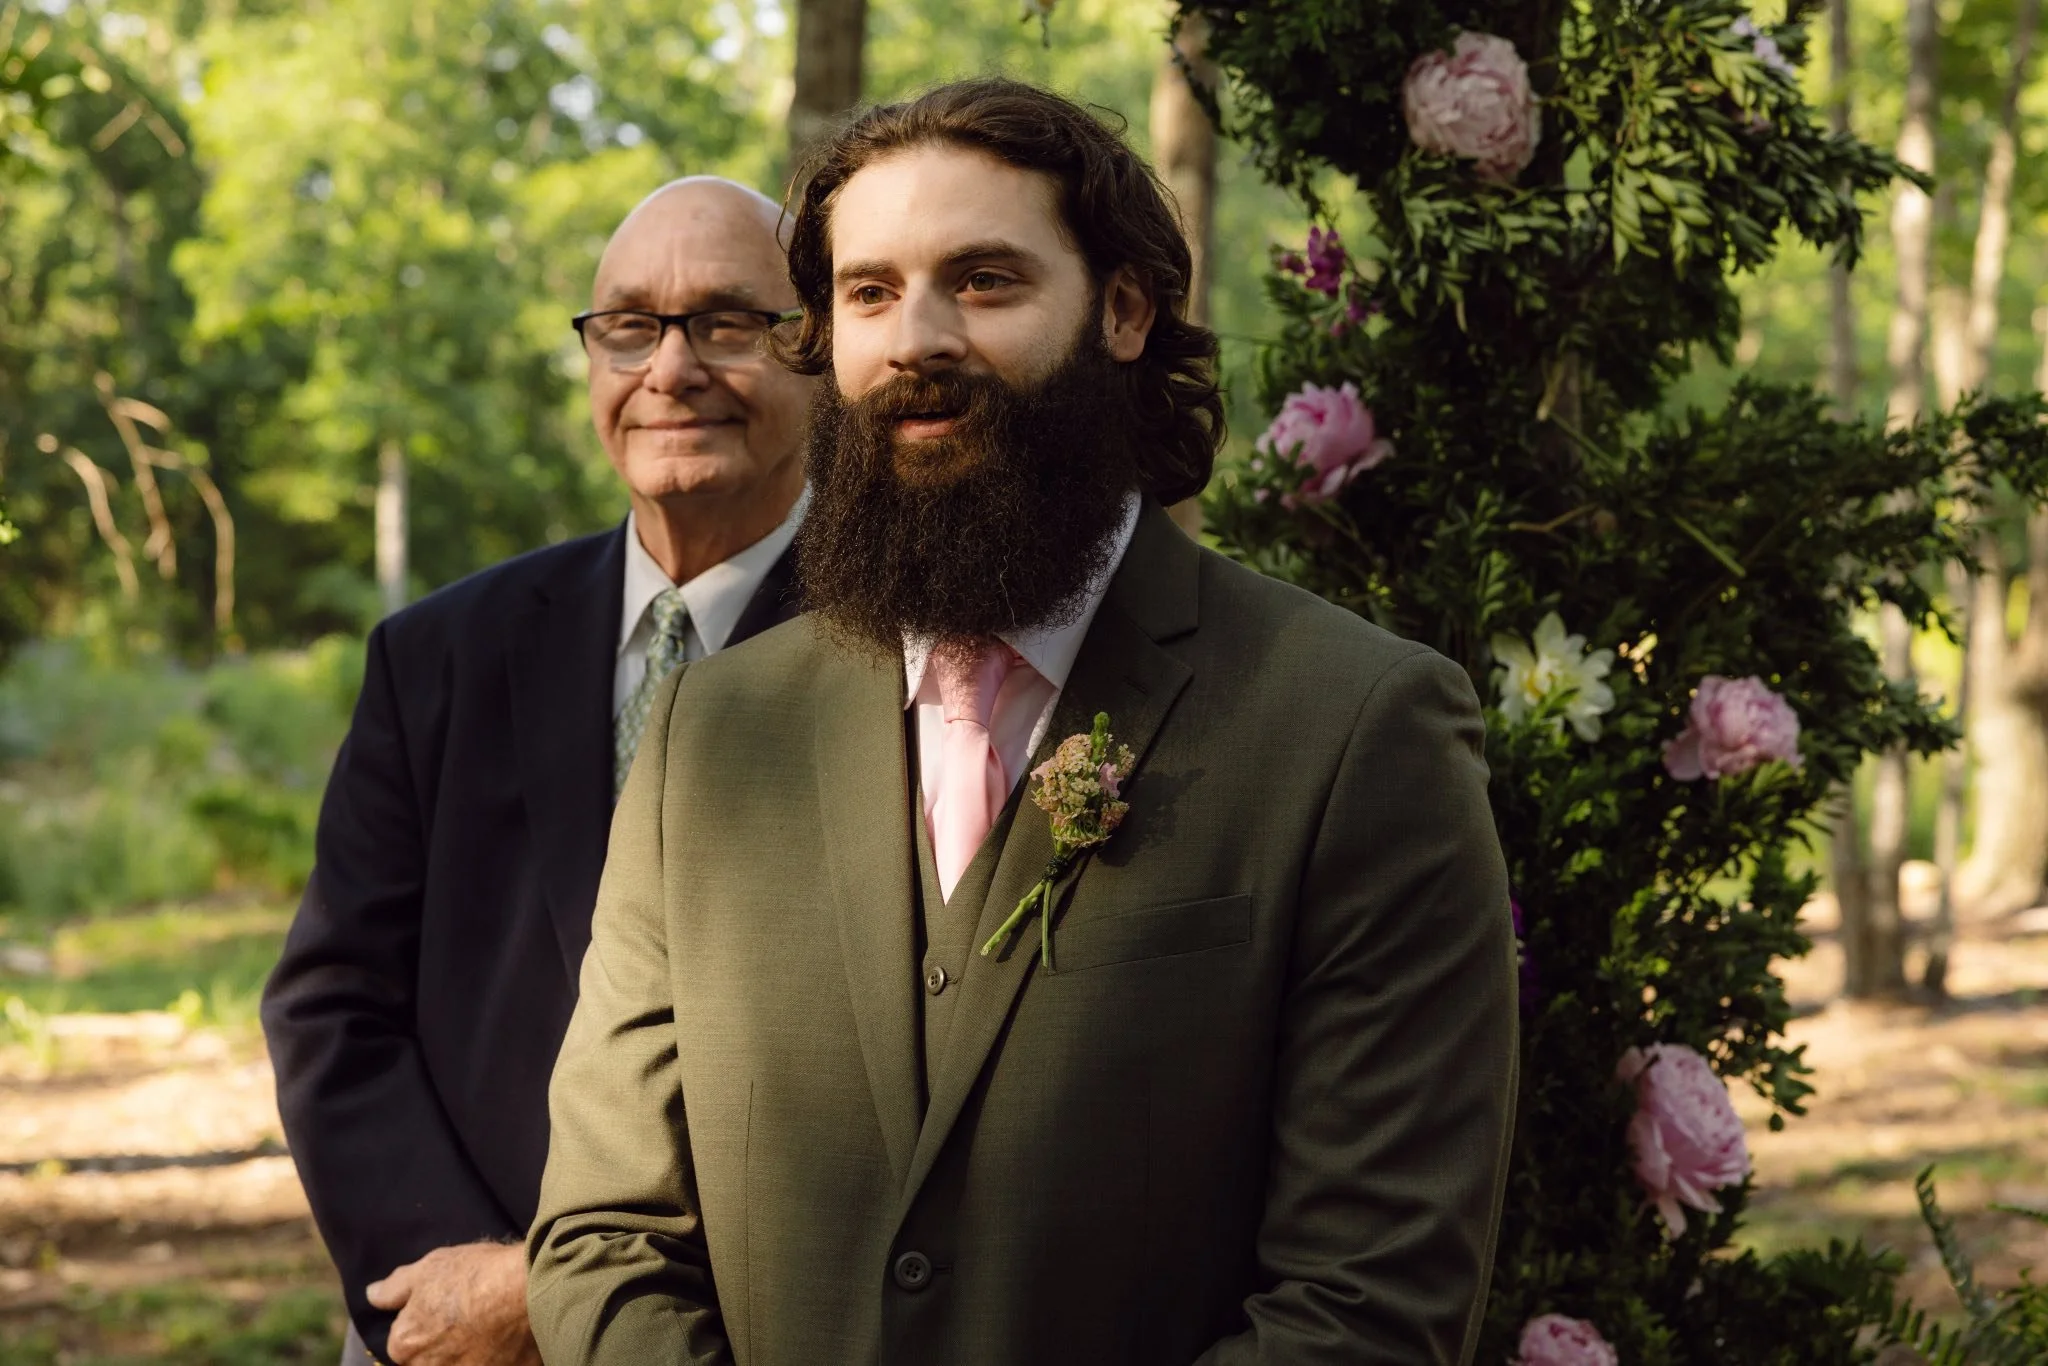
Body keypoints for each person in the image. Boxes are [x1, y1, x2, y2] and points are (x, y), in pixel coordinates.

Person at [528, 80, 1518, 1366]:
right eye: (868, 294)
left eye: (984, 281)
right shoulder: (710, 735)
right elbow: (603, 1232)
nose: (914, 339)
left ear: (1119, 310)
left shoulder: (1353, 724)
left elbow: (1368, 1302)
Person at [261, 176, 815, 1366]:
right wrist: (451, 1283)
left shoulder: (904, 649)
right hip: (444, 1321)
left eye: (726, 322)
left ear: (814, 348)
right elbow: (332, 1004)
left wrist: (559, 1291)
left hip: (754, 1325)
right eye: (627, 326)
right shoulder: (438, 655)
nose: (669, 369)